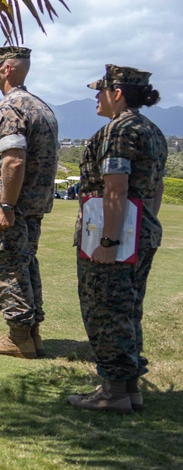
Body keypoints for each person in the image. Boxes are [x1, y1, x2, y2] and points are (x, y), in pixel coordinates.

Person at [67, 65, 167, 414]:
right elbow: (155, 188)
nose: (96, 96)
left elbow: (115, 187)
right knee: (128, 309)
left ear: (118, 93)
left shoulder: (118, 131)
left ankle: (113, 391)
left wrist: (108, 242)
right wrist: (140, 226)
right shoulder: (151, 130)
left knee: (104, 311)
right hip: (141, 231)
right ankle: (128, 388)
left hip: (114, 236)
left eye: (101, 90)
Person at [0, 46, 59, 359]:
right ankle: (32, 334)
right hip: (33, 205)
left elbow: (13, 160)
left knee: (6, 267)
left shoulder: (10, 107)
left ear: (8, 69)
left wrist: (5, 206)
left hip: (9, 205)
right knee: (25, 264)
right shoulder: (41, 107)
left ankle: (19, 337)